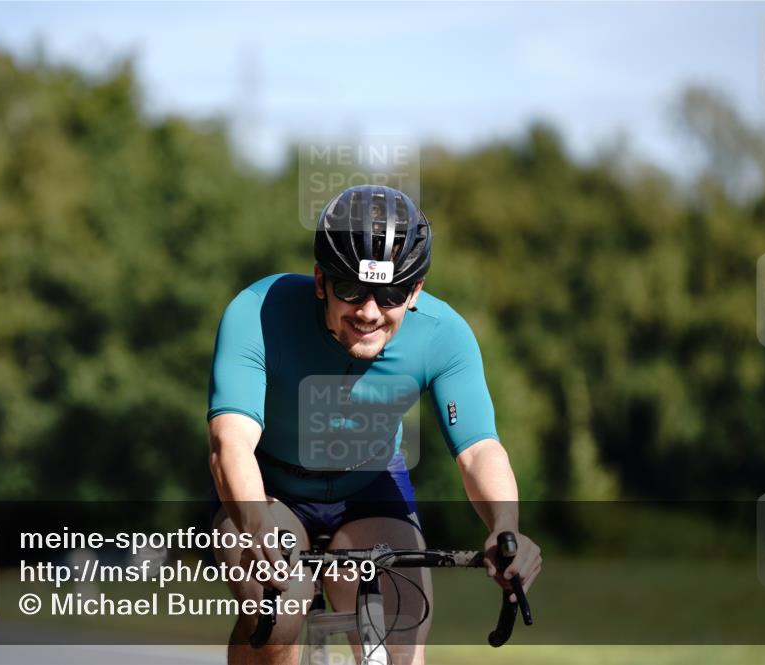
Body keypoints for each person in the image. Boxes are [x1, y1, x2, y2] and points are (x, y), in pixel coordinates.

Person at [208, 184, 541, 665]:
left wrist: (505, 527)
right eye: (349, 290)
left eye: (388, 295)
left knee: (401, 645)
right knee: (276, 618)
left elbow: (478, 450)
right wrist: (255, 522)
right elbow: (229, 443)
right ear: (320, 280)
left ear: (415, 291)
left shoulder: (444, 336)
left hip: (370, 485)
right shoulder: (258, 312)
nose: (367, 312)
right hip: (272, 488)